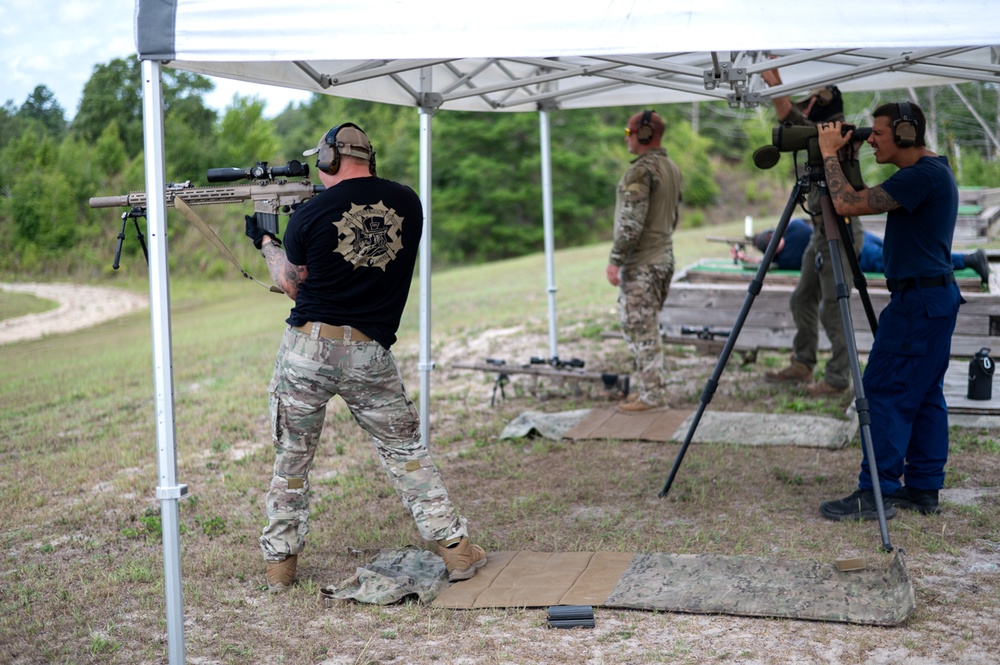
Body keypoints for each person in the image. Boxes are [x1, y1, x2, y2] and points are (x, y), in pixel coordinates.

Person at [245, 122, 486, 592]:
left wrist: (266, 242)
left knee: (292, 460)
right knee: (406, 453)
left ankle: (280, 566)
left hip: (308, 348)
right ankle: (457, 552)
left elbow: (292, 282)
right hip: (369, 350)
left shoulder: (310, 215)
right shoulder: (409, 202)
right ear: (369, 157)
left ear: (329, 160)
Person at [816, 101, 962, 521]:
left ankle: (875, 491)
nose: (870, 138)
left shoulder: (921, 177)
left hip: (917, 304)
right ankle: (922, 488)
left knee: (883, 391)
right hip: (932, 299)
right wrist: (852, 158)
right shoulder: (930, 172)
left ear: (905, 134)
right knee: (925, 394)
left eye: (877, 133)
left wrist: (829, 154)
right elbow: (860, 196)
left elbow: (846, 205)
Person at [759, 68, 865, 398]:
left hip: (842, 231)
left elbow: (790, 118)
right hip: (820, 229)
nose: (803, 108)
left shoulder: (839, 135)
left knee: (834, 305)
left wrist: (776, 84)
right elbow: (795, 122)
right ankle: (803, 362)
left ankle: (836, 378)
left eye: (809, 101)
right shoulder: (821, 135)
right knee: (802, 297)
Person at [606, 109, 683, 413]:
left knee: (640, 328)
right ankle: (647, 389)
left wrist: (615, 259)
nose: (626, 138)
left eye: (629, 133)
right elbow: (673, 217)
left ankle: (651, 396)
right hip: (663, 258)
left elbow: (631, 223)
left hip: (643, 263)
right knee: (643, 325)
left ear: (645, 134)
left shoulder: (641, 171)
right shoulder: (671, 167)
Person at [742, 220, 990, 282]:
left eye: (774, 239)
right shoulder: (783, 259)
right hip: (858, 246)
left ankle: (966, 260)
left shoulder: (794, 227)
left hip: (858, 251)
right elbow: (765, 264)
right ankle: (967, 259)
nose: (778, 244)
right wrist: (746, 258)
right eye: (771, 246)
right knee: (910, 256)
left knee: (910, 260)